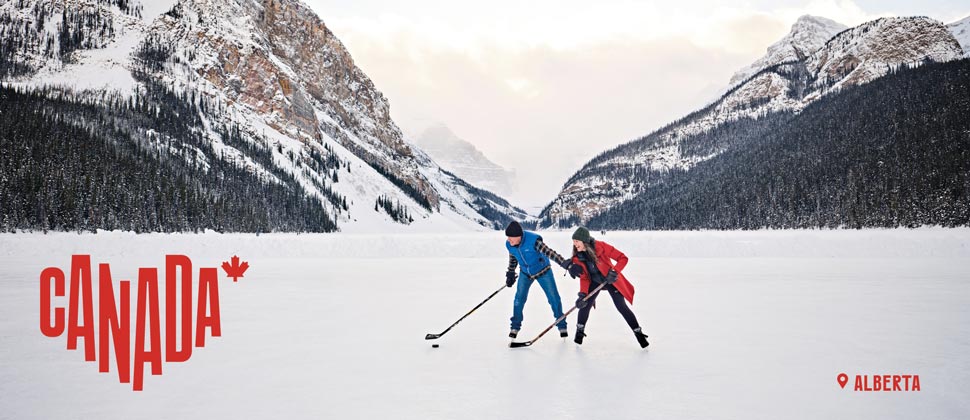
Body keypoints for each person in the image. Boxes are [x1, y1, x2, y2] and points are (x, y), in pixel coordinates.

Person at [566, 227, 649, 348]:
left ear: (584, 241)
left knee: (621, 306)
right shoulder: (577, 257)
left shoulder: (601, 246)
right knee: (584, 305)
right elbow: (584, 278)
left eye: (577, 241)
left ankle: (638, 333)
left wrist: (614, 272)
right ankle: (579, 332)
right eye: (573, 241)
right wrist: (582, 294)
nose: (574, 244)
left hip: (610, 280)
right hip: (594, 281)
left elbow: (623, 258)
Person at [504, 221, 575, 339]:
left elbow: (549, 252)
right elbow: (513, 257)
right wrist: (511, 273)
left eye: (511, 237)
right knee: (519, 299)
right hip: (525, 273)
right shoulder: (509, 244)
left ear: (519, 236)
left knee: (554, 298)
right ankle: (515, 326)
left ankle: (561, 325)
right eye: (508, 237)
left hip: (543, 272)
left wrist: (565, 264)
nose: (508, 240)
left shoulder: (534, 241)